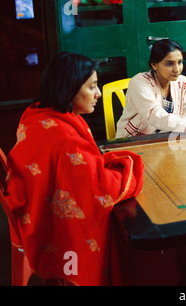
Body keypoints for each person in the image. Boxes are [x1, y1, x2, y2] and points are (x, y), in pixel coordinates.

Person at [4, 52, 145, 285]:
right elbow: (100, 190)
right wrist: (131, 164)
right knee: (128, 227)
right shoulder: (66, 141)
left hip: (31, 204)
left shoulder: (38, 114)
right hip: (52, 228)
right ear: (69, 89)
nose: (98, 93)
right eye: (92, 87)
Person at [115, 39, 186, 140]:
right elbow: (156, 116)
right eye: (169, 64)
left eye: (180, 62)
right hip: (134, 140)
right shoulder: (139, 82)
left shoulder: (183, 83)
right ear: (154, 65)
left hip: (166, 140)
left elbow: (185, 121)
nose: (177, 69)